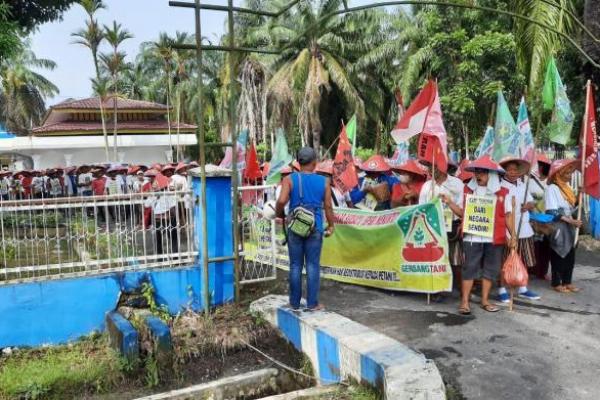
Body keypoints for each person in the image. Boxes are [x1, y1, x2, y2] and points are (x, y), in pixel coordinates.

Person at [276, 147, 335, 311]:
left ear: (298, 162)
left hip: (295, 225)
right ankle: (312, 303)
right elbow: (328, 207)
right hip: (315, 227)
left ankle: (294, 303)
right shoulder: (324, 181)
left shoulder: (289, 179)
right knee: (312, 265)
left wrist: (279, 213)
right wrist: (331, 225)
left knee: (295, 265)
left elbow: (281, 201)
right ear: (315, 162)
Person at [459, 155, 515, 314]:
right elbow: (462, 212)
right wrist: (449, 202)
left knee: (491, 269)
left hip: (494, 237)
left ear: (491, 174)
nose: (478, 175)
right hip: (472, 236)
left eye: (482, 172)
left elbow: (508, 216)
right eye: (477, 171)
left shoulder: (504, 192)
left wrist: (513, 236)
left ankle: (485, 300)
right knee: (469, 268)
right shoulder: (467, 190)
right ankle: (464, 302)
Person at [497, 157, 540, 302]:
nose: (513, 172)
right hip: (507, 229)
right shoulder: (500, 186)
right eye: (510, 170)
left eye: (515, 170)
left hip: (524, 228)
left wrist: (528, 205)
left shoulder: (523, 185)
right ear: (505, 171)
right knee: (505, 260)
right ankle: (502, 289)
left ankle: (523, 288)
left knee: (523, 259)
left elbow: (531, 202)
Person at [418, 159, 464, 291]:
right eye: (429, 167)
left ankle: (461, 290)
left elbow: (462, 210)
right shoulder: (426, 186)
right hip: (432, 227)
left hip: (453, 226)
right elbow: (421, 208)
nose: (430, 170)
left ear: (444, 167)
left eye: (434, 166)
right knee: (435, 260)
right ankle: (436, 289)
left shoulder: (457, 183)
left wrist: (449, 203)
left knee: (456, 261)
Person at [545, 159, 582, 293]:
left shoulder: (567, 188)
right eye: (566, 173)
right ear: (558, 174)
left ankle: (567, 281)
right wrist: (571, 221)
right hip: (558, 226)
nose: (570, 176)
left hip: (569, 226)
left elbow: (572, 208)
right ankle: (556, 283)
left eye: (570, 173)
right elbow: (551, 211)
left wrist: (579, 195)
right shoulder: (552, 188)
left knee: (570, 255)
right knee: (559, 254)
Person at [530, 153, 552, 280]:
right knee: (533, 245)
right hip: (532, 218)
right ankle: (532, 269)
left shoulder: (551, 182)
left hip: (546, 218)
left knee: (545, 245)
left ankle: (542, 271)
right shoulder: (530, 181)